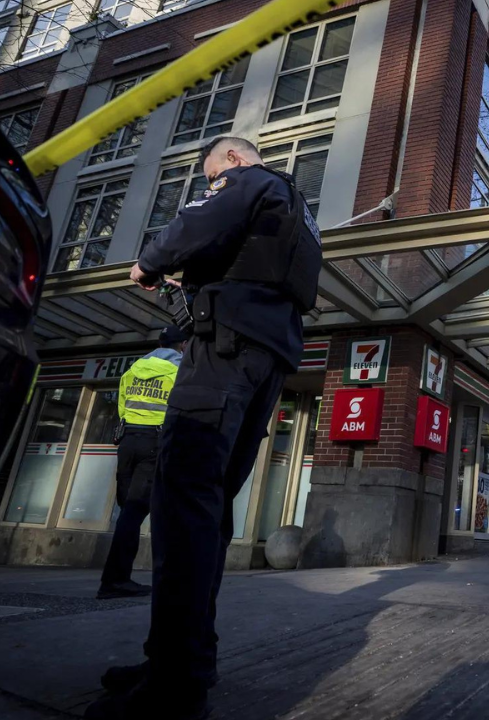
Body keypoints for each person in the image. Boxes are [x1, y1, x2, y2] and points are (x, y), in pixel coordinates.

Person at [86, 137, 321, 720]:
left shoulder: (250, 182)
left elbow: (198, 222)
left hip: (222, 353)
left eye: (213, 172)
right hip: (266, 358)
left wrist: (150, 262)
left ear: (234, 162)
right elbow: (250, 260)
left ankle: (174, 685)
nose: (212, 181)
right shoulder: (299, 210)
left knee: (182, 504)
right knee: (209, 512)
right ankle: (182, 658)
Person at [97, 327, 186, 600]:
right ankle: (115, 581)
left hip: (128, 442)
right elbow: (179, 411)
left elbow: (122, 406)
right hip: (154, 443)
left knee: (128, 512)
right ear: (182, 345)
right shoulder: (179, 372)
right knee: (135, 512)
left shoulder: (133, 370)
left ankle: (117, 578)